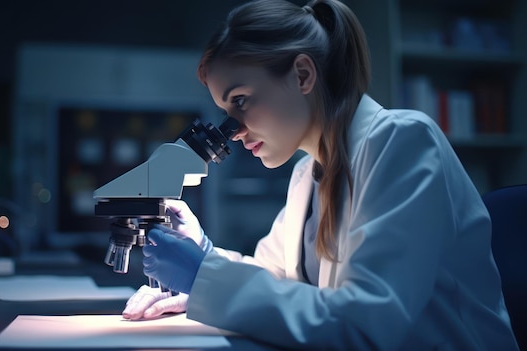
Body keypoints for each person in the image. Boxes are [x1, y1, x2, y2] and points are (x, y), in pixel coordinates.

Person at [121, 0, 519, 349]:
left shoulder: (404, 142)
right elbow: (277, 279)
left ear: (303, 75)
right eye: (227, 113)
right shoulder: (307, 174)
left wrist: (205, 276)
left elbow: (367, 325)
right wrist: (204, 252)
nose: (234, 131)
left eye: (240, 101)